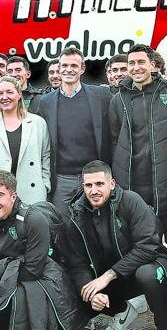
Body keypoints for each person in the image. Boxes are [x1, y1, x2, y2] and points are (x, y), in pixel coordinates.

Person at [65, 161, 167, 330]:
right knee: (82, 288)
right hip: (115, 277)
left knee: (147, 275)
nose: (94, 191)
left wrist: (108, 276)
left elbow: (148, 247)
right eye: (88, 185)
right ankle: (123, 310)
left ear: (112, 184)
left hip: (147, 264)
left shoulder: (131, 200)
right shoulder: (77, 214)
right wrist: (92, 295)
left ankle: (165, 325)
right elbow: (78, 264)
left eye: (100, 184)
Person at [0, 170, 82, 329]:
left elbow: (33, 270)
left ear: (13, 196)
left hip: (37, 275)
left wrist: (0, 282)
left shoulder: (34, 220)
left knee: (19, 297)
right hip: (6, 271)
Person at [110, 44, 167, 253]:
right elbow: (112, 141)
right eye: (132, 63)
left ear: (152, 65)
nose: (136, 67)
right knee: (140, 247)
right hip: (133, 185)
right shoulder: (118, 99)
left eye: (141, 62)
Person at [37, 47, 112, 216]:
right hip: (62, 178)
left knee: (97, 224)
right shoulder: (46, 102)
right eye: (64, 65)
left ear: (82, 69)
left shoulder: (102, 96)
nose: (68, 69)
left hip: (94, 176)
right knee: (63, 227)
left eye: (74, 65)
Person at [0, 76, 51, 210]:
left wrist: (45, 185)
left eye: (9, 92)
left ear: (19, 94)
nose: (4, 97)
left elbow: (46, 157)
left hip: (32, 192)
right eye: (0, 93)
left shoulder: (38, 123)